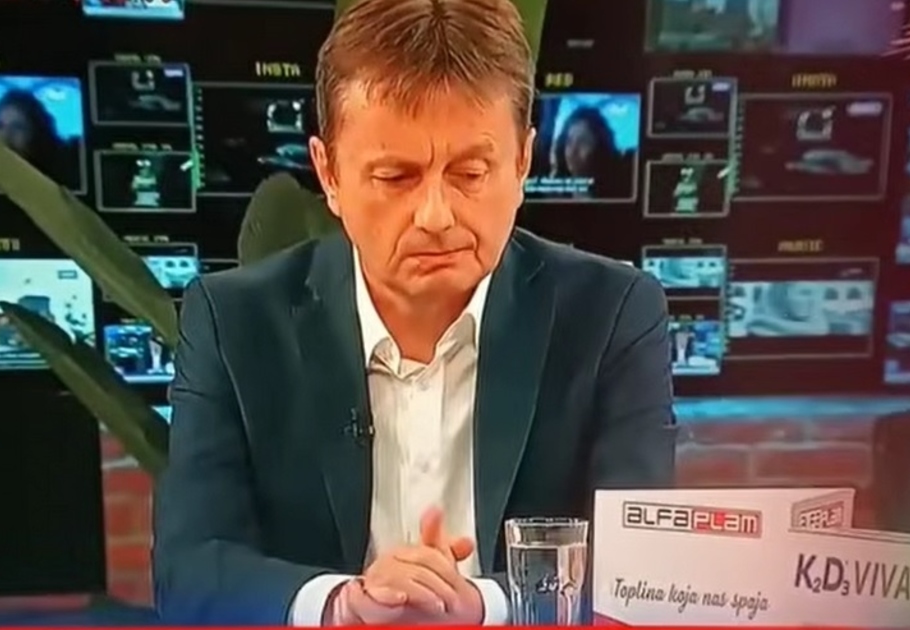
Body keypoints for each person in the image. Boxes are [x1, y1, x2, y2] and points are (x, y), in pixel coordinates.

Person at [152, 0, 677, 625]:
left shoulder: (612, 316)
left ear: (522, 162)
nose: (436, 216)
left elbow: (639, 570)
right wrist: (342, 604)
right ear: (329, 174)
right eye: (396, 177)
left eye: (470, 173)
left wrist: (481, 605)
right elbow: (191, 570)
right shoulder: (235, 322)